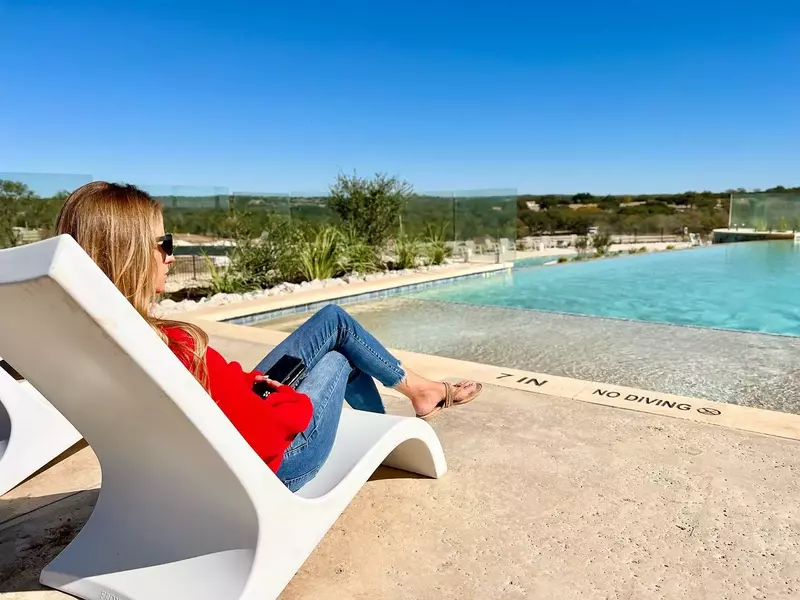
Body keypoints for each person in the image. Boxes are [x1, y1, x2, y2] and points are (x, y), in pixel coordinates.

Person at [55, 182, 482, 491]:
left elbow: (218, 400)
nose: (172, 254)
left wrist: (248, 385)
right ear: (126, 253)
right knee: (337, 354)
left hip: (220, 434)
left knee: (333, 320)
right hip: (278, 465)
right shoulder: (173, 346)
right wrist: (283, 397)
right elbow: (270, 431)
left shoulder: (95, 341)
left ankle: (420, 391)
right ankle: (418, 396)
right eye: (164, 242)